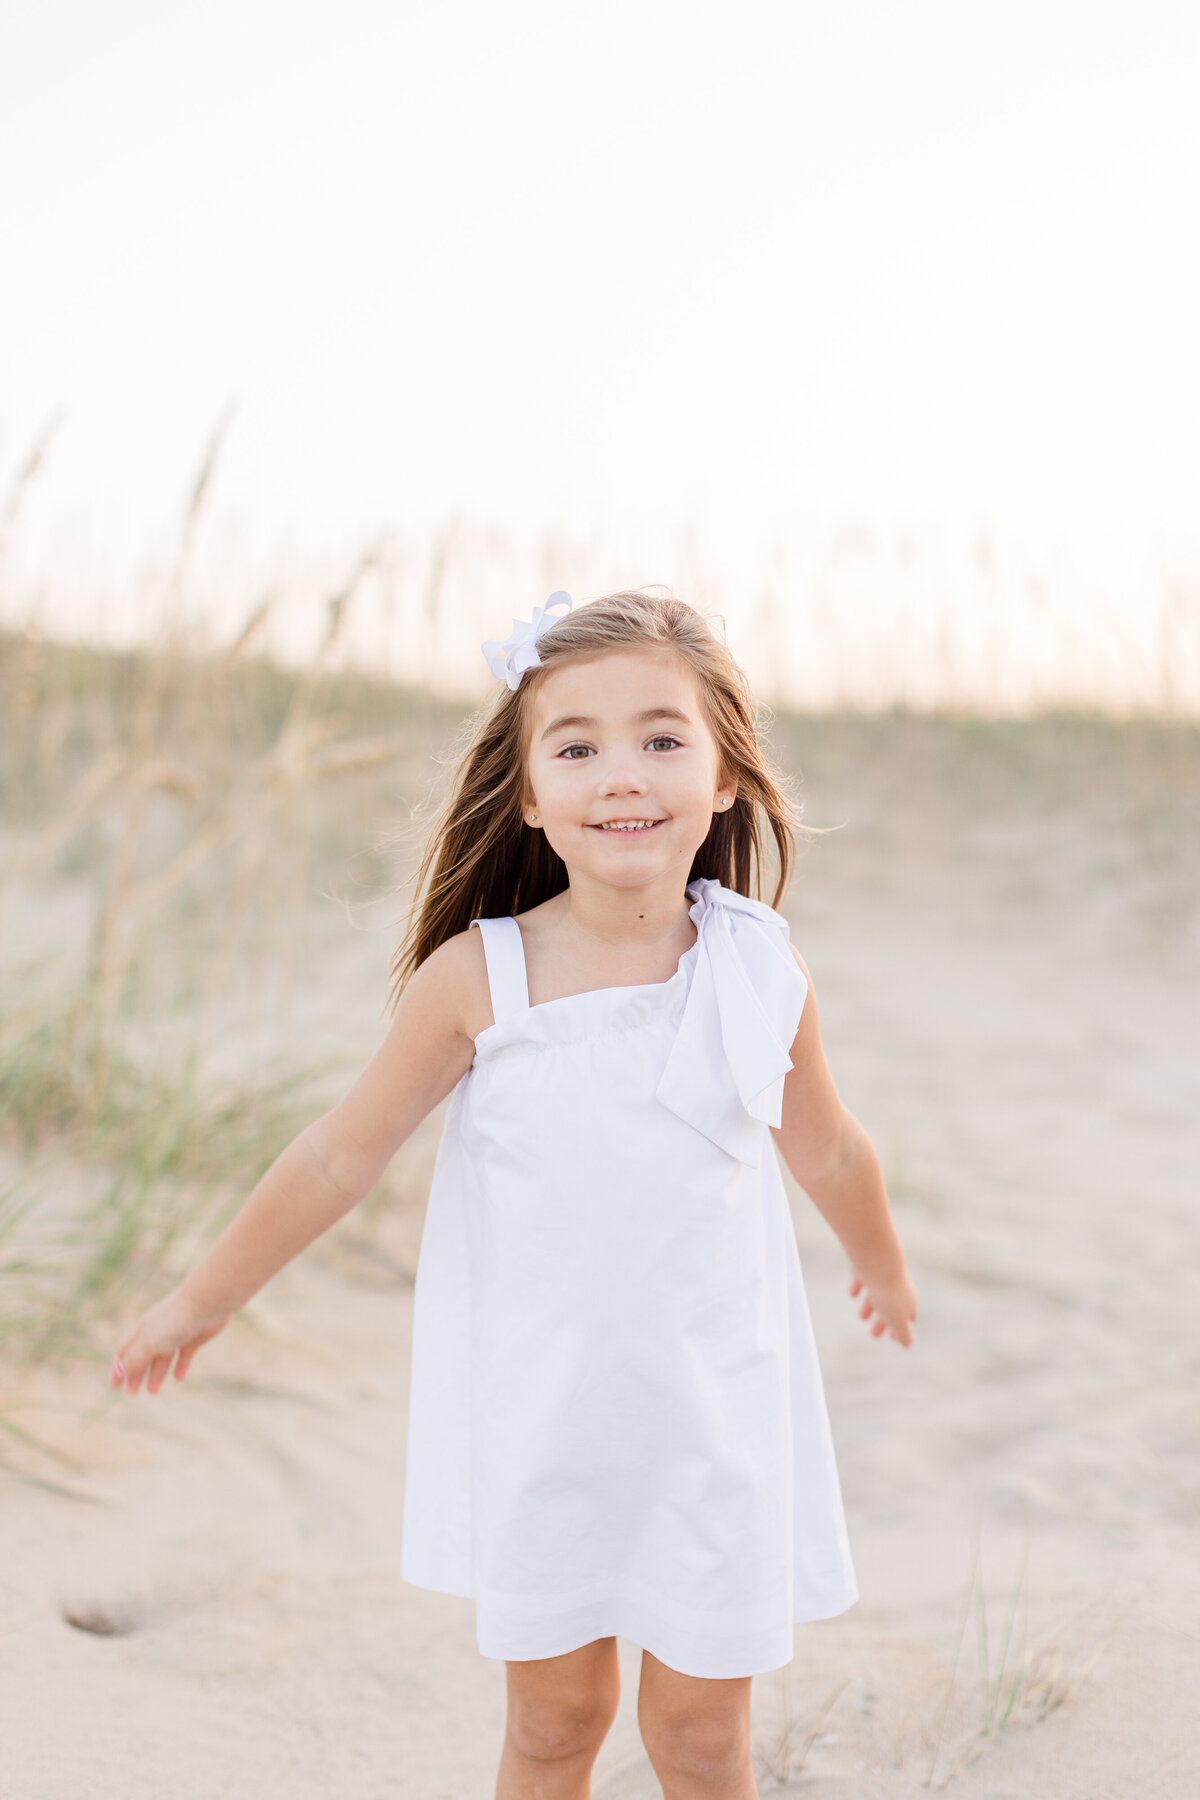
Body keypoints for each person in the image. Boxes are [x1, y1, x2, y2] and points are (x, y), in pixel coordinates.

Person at [111, 589, 917, 1800]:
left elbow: (831, 1149)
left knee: (703, 1741)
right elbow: (340, 1153)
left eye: (662, 738)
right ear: (532, 797)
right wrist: (200, 1298)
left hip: (712, 1423)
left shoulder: (759, 969)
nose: (622, 774)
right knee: (556, 1725)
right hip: (549, 1425)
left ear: (727, 777)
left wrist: (882, 1264)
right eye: (576, 746)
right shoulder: (480, 978)